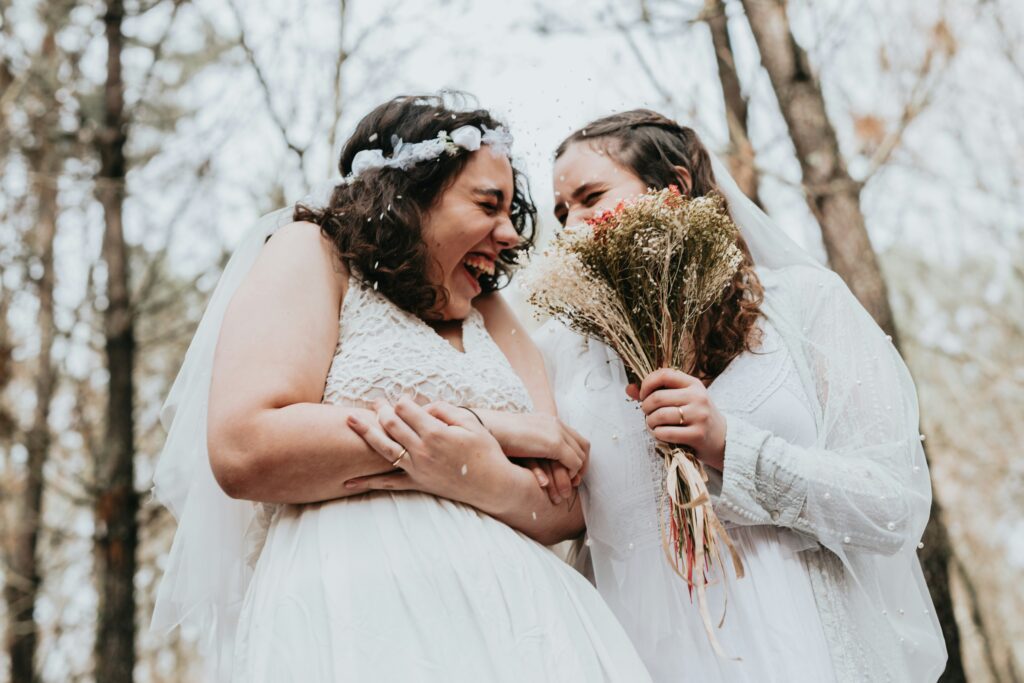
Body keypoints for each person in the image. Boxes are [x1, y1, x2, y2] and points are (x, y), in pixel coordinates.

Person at [150, 94, 651, 682]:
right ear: (410, 195)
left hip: (528, 627)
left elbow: (566, 501)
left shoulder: (493, 314)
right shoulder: (314, 255)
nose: (511, 235)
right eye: (488, 205)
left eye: (512, 212)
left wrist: (470, 471)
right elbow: (244, 446)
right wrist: (484, 428)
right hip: (355, 618)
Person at [531, 110, 947, 681]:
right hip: (647, 658)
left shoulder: (803, 305)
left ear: (673, 188)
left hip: (807, 653)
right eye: (561, 212)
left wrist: (730, 447)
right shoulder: (563, 353)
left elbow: (890, 508)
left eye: (590, 196)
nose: (571, 225)